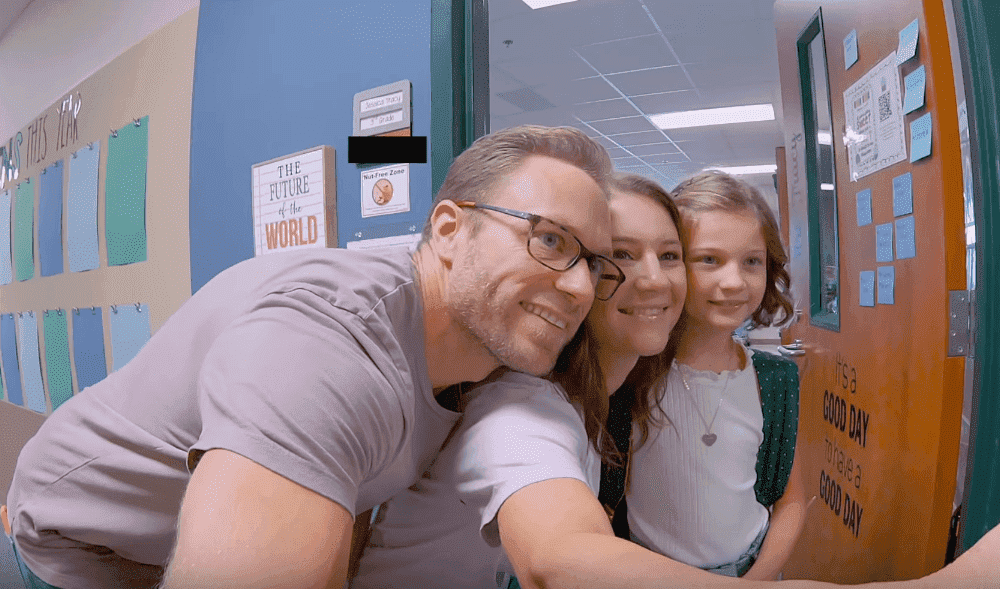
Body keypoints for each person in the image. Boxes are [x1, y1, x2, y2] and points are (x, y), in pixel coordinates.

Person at [2, 125, 622, 589]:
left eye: (594, 262)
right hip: (78, 542)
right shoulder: (327, 344)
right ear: (451, 230)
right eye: (549, 239)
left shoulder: (464, 355)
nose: (580, 287)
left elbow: (341, 493)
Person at [348, 173, 690, 588]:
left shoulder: (600, 398)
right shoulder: (518, 403)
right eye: (621, 255)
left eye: (670, 255)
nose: (655, 279)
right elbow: (559, 559)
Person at [604, 170, 808, 580]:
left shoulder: (774, 379)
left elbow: (790, 499)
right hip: (651, 574)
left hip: (751, 570)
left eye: (751, 261)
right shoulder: (628, 373)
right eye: (709, 260)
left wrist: (757, 579)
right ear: (673, 264)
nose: (733, 282)